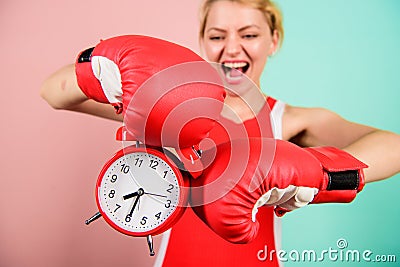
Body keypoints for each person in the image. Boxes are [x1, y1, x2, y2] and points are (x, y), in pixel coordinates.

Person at [40, 1, 400, 266]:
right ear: (201, 40)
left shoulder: (287, 120)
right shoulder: (163, 110)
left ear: (274, 41)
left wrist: (312, 171)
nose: (231, 48)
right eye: (217, 35)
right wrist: (108, 65)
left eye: (249, 34)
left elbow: (394, 147)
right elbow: (53, 91)